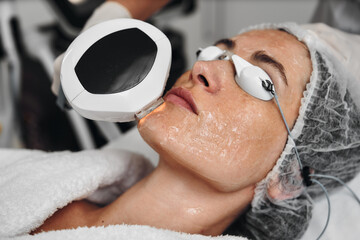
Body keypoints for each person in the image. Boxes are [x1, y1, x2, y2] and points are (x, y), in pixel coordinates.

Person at [2, 0, 360, 239]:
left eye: (260, 81)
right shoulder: (22, 181)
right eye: (215, 53)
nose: (202, 68)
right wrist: (116, 10)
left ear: (290, 178)